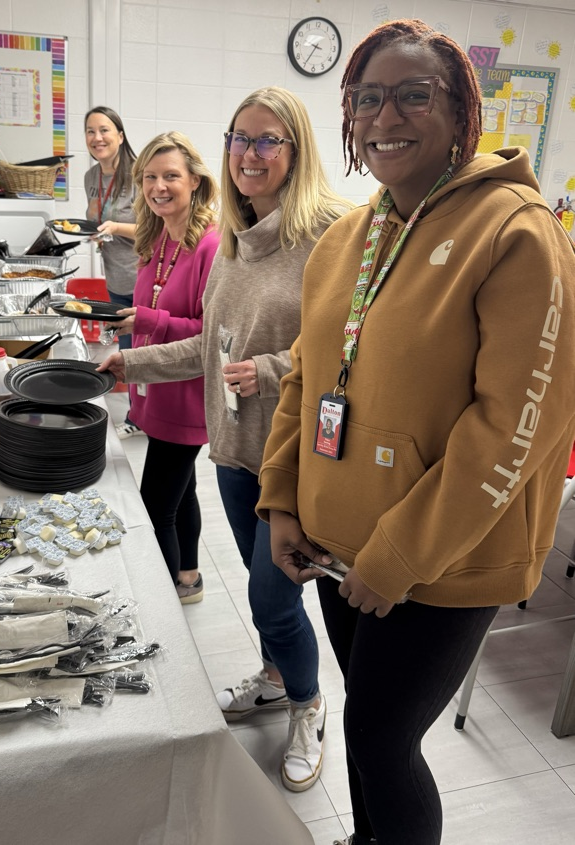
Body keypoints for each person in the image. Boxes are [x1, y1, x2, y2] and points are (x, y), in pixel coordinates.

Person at [257, 20, 575, 845]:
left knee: (381, 740)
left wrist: (399, 555)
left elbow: (516, 428)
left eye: (412, 94)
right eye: (367, 98)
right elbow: (306, 377)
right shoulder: (347, 240)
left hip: (439, 566)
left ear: (461, 110)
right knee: (369, 729)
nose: (385, 114)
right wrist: (283, 504)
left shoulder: (517, 234)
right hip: (336, 550)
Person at [99, 87, 351, 792]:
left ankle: (308, 704)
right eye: (240, 138)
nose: (250, 153)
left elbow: (357, 349)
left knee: (275, 599)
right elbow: (210, 348)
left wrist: (272, 369)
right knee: (259, 585)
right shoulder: (237, 242)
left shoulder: (329, 235)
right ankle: (277, 678)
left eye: (268, 140)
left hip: (296, 462)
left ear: (296, 150)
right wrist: (130, 362)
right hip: (236, 454)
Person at [105, 131, 220, 604]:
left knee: (156, 505)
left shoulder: (212, 246)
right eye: (150, 177)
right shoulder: (156, 237)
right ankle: (188, 577)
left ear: (195, 180)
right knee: (182, 490)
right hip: (154, 386)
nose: (159, 187)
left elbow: (209, 332)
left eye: (171, 176)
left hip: (186, 395)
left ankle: (162, 603)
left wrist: (149, 320)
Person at [84, 106, 142, 438]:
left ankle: (140, 417)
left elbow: (156, 228)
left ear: (120, 135)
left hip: (144, 276)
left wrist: (116, 226)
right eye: (90, 131)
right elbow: (93, 218)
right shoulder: (91, 177)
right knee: (126, 346)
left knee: (141, 350)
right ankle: (139, 412)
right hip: (115, 275)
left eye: (104, 130)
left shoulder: (140, 174)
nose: (97, 138)